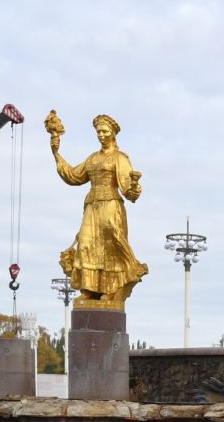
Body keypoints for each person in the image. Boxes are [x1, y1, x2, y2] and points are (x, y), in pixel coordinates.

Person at [47, 112, 149, 305]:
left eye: (104, 131)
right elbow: (74, 176)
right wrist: (56, 154)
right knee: (86, 244)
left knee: (111, 247)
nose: (101, 135)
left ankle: (111, 290)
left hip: (111, 206)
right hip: (92, 206)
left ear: (113, 133)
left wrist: (134, 187)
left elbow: (129, 190)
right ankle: (90, 289)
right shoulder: (93, 158)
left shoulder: (120, 158)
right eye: (98, 132)